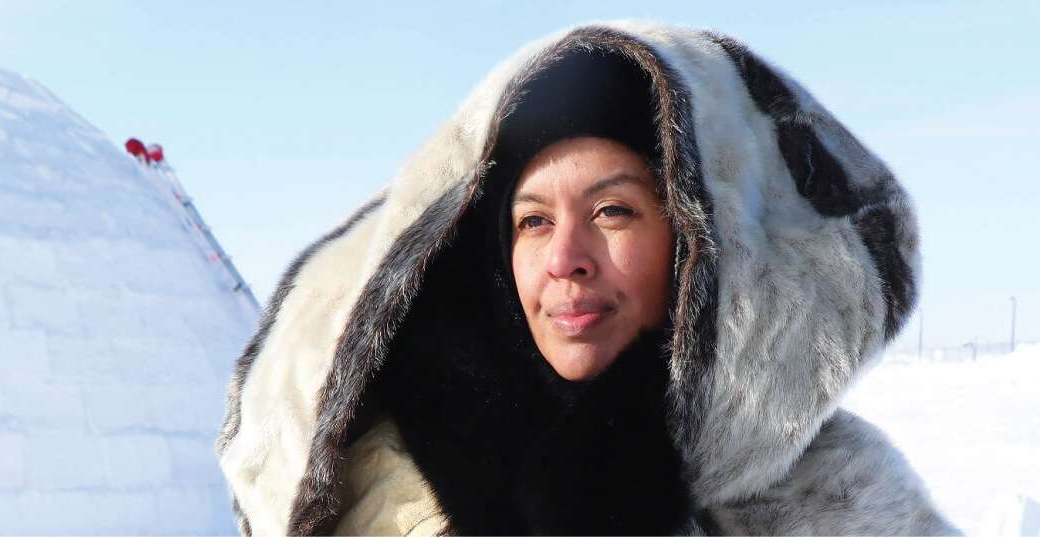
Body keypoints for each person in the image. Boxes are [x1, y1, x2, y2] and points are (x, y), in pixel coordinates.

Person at [217, 22, 961, 535]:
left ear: (699, 240)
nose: (565, 256)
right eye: (532, 220)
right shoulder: (378, 485)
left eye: (612, 210)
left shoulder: (841, 499)